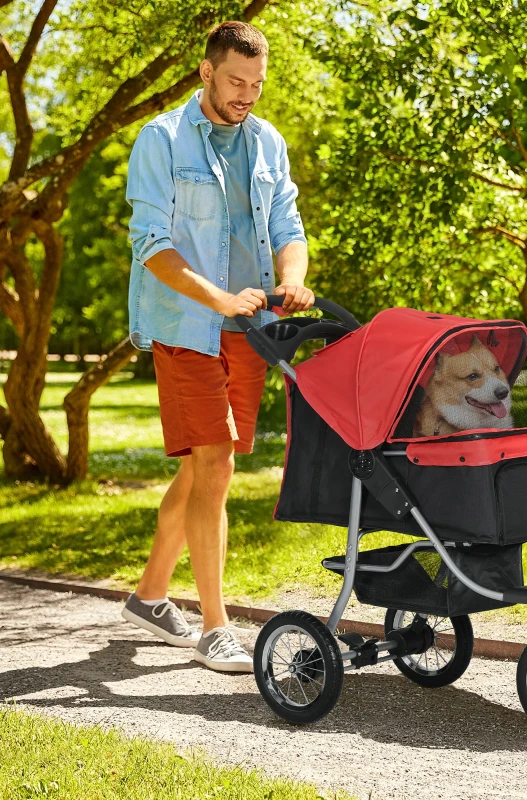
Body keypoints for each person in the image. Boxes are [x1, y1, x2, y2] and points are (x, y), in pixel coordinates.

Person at [121, 20, 314, 673]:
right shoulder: (163, 140)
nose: (247, 95)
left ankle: (150, 596)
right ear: (206, 72)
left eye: (257, 85)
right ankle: (214, 626)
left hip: (248, 332)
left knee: (204, 466)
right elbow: (153, 246)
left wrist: (291, 281)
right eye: (236, 81)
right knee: (216, 468)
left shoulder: (266, 143)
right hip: (187, 327)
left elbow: (287, 224)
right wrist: (221, 300)